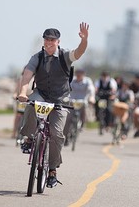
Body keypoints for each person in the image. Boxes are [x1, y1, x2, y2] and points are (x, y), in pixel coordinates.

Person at [18, 23, 89, 188]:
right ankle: (28, 138)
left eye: (52, 39)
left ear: (58, 41)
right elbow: (27, 75)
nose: (49, 42)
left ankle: (52, 171)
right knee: (30, 104)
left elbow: (79, 52)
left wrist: (84, 40)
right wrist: (23, 92)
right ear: (43, 41)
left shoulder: (65, 56)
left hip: (60, 98)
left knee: (57, 135)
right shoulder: (37, 57)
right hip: (41, 93)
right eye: (46, 39)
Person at [63, 68, 95, 145]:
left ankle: (82, 124)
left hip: (83, 101)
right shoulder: (72, 80)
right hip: (73, 101)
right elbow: (66, 89)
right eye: (77, 73)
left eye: (80, 74)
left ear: (83, 74)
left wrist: (91, 97)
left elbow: (91, 90)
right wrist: (65, 97)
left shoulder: (87, 81)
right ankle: (66, 136)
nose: (78, 75)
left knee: (85, 111)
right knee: (68, 119)